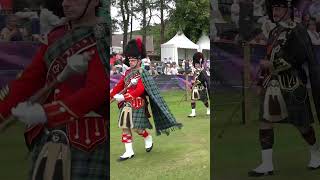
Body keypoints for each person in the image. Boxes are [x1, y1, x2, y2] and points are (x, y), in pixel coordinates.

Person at [0, 0, 109, 179]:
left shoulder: (103, 35)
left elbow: (98, 90)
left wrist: (46, 112)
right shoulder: (57, 35)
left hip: (91, 136)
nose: (66, 3)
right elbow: (28, 80)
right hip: (49, 135)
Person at [248, 0, 320, 177]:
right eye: (274, 8)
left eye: (279, 8)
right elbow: (269, 56)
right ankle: (267, 164)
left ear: (288, 10)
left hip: (293, 85)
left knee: (302, 124)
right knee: (265, 121)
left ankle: (316, 154)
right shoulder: (274, 31)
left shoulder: (298, 30)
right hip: (272, 85)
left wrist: (271, 64)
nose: (275, 11)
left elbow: (299, 58)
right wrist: (260, 82)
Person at [110, 38, 182, 161]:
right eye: (130, 59)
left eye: (133, 60)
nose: (131, 62)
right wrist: (111, 95)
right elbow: (119, 86)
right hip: (126, 104)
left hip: (138, 103)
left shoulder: (143, 72)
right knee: (125, 126)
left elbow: (140, 90)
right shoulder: (127, 72)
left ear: (139, 60)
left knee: (137, 128)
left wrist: (124, 96)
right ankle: (128, 151)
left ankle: (147, 136)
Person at [188, 52, 210, 117]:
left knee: (204, 100)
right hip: (195, 88)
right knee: (192, 99)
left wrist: (195, 82)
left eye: (197, 64)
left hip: (201, 87)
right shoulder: (195, 71)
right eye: (195, 64)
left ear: (200, 64)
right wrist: (192, 83)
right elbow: (194, 79)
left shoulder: (203, 71)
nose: (196, 65)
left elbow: (203, 80)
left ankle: (208, 109)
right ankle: (193, 113)